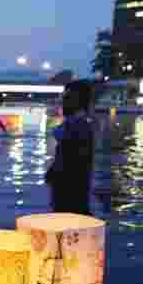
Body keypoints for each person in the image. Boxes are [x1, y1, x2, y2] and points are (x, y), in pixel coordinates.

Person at [45, 80, 95, 215]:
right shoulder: (78, 125)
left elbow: (71, 158)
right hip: (72, 189)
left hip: (69, 190)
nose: (62, 101)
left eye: (67, 97)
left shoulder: (77, 126)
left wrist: (54, 172)